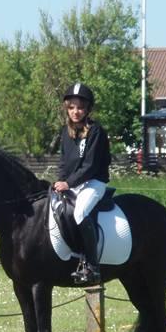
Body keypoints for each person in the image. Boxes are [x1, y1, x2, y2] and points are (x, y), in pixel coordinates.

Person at [53, 82, 111, 286]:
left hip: (95, 182)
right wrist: (59, 181)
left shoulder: (96, 132)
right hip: (73, 184)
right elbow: (63, 162)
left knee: (79, 212)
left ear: (87, 109)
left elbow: (90, 166)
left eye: (80, 107)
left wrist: (67, 183)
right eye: (71, 107)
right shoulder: (65, 132)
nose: (75, 112)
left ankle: (92, 266)